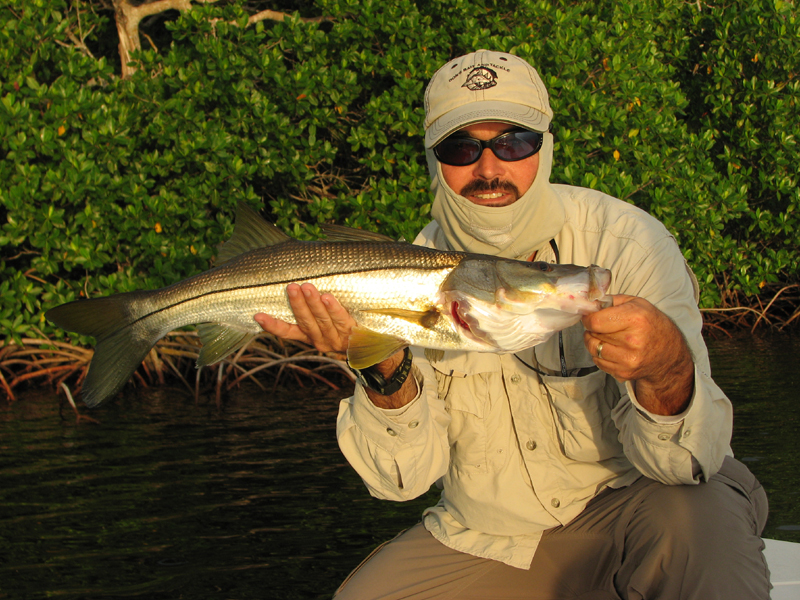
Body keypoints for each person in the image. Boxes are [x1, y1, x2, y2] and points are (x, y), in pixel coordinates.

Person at [255, 50, 770, 599]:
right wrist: (383, 366)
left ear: (545, 147)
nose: (489, 168)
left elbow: (684, 461)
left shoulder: (629, 242)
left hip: (641, 504)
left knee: (699, 524)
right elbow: (400, 480)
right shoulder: (408, 270)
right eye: (460, 147)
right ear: (434, 160)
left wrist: (666, 369)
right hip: (493, 535)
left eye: (514, 141)